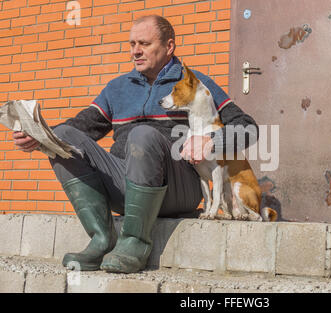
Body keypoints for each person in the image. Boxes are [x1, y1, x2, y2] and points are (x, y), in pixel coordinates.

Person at [12, 15, 258, 273]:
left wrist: (211, 140)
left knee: (142, 134)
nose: (135, 51)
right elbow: (84, 126)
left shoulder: (195, 84)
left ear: (168, 47)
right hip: (126, 183)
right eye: (132, 44)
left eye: (144, 43)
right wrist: (39, 136)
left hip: (177, 188)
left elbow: (248, 127)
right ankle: (102, 239)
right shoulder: (117, 88)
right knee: (64, 135)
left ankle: (135, 242)